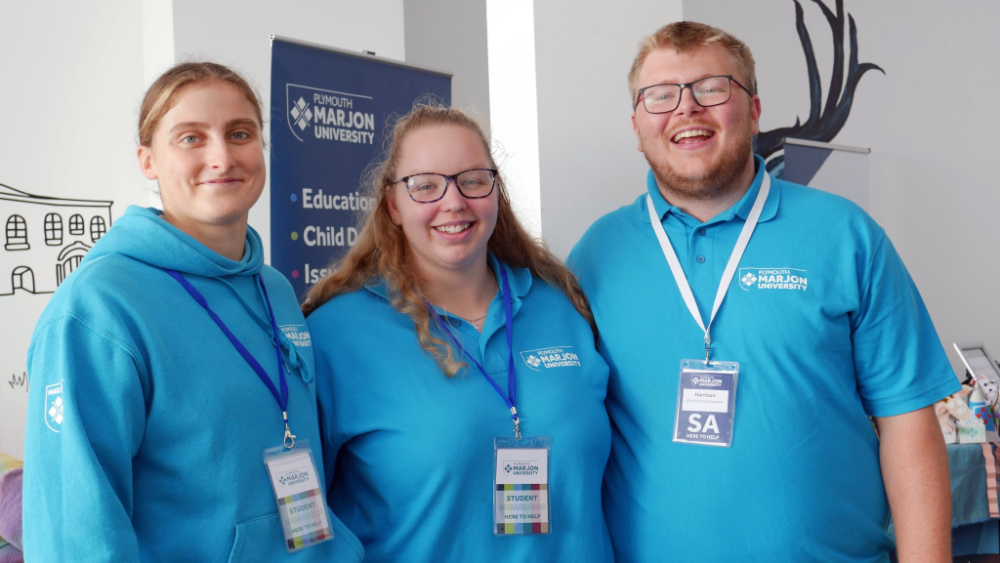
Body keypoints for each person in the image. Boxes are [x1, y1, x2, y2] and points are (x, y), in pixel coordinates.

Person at [567, 21, 960, 563]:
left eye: (712, 88)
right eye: (660, 96)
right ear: (636, 126)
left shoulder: (846, 235)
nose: (686, 109)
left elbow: (908, 423)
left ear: (754, 112)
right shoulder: (595, 256)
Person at [22, 62, 363, 561]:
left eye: (239, 133)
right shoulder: (97, 308)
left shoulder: (272, 288)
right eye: (190, 138)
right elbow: (73, 535)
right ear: (148, 161)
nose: (221, 156)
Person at [302, 104, 614, 562]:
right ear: (393, 206)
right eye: (425, 186)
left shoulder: (564, 307)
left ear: (495, 191)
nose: (454, 201)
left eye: (472, 179)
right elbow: (306, 526)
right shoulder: (333, 335)